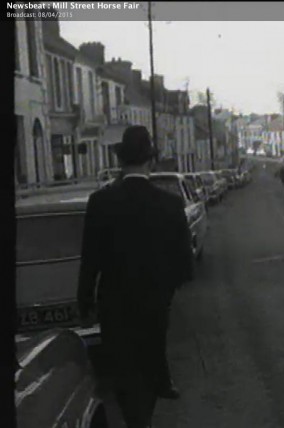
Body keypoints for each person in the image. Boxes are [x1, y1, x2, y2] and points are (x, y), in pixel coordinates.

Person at [78, 125, 194, 428]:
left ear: (120, 161)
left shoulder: (100, 203)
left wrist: (84, 303)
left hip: (114, 306)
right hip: (154, 305)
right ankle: (152, 399)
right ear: (150, 161)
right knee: (150, 363)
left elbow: (89, 261)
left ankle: (137, 419)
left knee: (124, 372)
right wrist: (165, 287)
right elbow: (185, 265)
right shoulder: (170, 205)